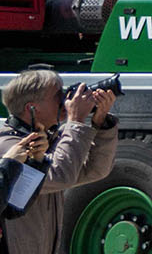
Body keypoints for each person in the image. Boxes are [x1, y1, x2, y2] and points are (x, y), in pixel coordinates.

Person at [0, 68, 120, 254]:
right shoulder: (8, 145)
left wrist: (101, 123)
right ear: (32, 108)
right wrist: (75, 121)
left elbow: (95, 170)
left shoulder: (46, 139)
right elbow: (60, 175)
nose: (66, 100)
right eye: (58, 95)